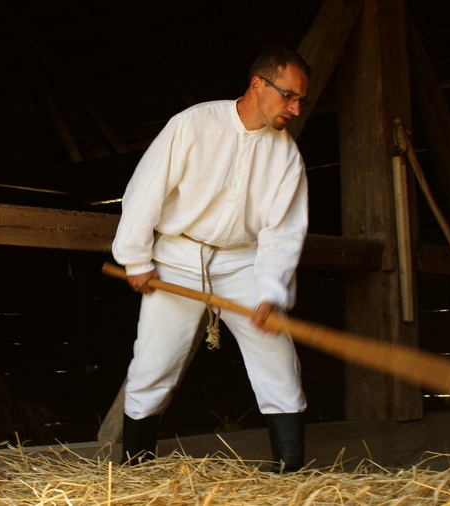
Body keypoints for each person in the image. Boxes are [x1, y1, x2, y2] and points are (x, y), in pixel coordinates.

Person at [111, 46, 311, 472]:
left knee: (277, 358)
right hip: (177, 258)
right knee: (154, 361)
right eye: (289, 96)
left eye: (300, 101)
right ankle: (134, 471)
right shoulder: (194, 124)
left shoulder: (286, 156)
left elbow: (284, 232)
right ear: (258, 83)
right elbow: (145, 190)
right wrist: (136, 259)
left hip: (244, 264)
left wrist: (272, 290)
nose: (294, 108)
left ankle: (291, 474)